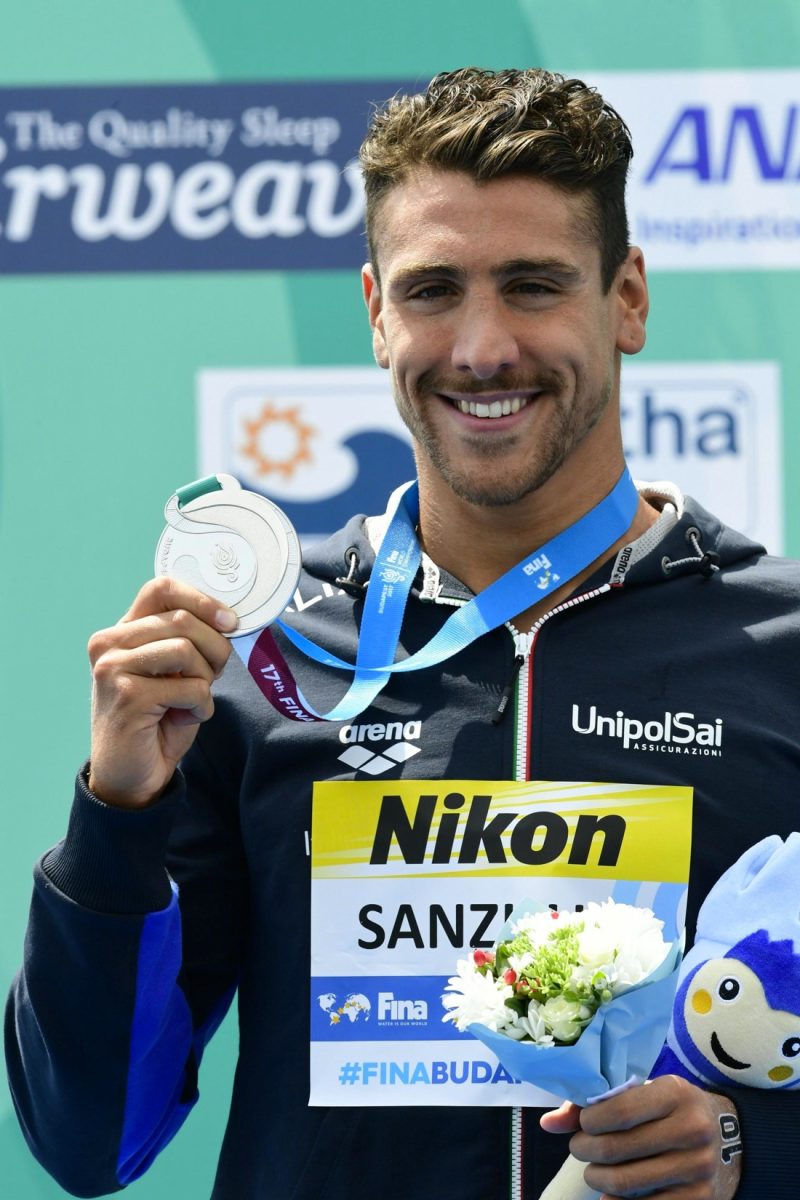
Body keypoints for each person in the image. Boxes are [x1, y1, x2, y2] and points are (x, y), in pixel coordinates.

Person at [6, 67, 800, 1200]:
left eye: (532, 285)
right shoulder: (265, 664)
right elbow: (86, 1142)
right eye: (434, 291)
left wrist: (751, 1150)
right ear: (377, 311)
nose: (481, 347)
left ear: (625, 296)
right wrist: (118, 815)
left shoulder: (779, 648)